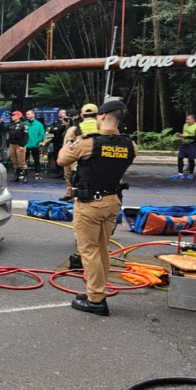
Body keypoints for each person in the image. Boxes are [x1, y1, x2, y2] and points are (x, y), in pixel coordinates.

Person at [57, 100, 136, 316]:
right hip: (112, 202)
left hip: (90, 203)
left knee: (89, 251)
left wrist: (72, 139)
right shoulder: (130, 145)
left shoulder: (88, 143)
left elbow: (62, 160)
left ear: (102, 117)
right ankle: (97, 291)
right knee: (102, 249)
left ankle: (96, 300)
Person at [0, 111, 28, 183]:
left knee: (21, 161)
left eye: (13, 115)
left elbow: (26, 136)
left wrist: (22, 145)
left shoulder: (23, 125)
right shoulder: (10, 125)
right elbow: (3, 129)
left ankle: (25, 176)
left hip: (19, 145)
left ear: (18, 116)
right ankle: (16, 176)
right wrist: (2, 122)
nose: (12, 116)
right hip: (12, 145)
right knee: (14, 161)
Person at [173, 113, 196, 179]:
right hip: (184, 144)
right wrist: (179, 135)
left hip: (192, 144)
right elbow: (184, 133)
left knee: (191, 159)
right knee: (180, 157)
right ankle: (180, 173)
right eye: (186, 119)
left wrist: (187, 136)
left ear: (193, 120)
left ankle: (191, 174)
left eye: (188, 119)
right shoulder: (185, 125)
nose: (187, 121)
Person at [46, 109, 68, 178]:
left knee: (65, 158)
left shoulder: (67, 122)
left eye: (63, 112)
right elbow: (51, 130)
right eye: (60, 112)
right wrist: (54, 129)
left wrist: (57, 129)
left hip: (64, 143)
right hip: (56, 142)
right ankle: (59, 172)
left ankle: (65, 173)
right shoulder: (56, 122)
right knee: (57, 157)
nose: (61, 114)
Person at [24, 109, 45, 179]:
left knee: (36, 159)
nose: (27, 115)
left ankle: (37, 173)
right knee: (24, 159)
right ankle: (23, 172)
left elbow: (42, 135)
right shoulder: (24, 124)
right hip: (26, 144)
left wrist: (37, 141)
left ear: (33, 115)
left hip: (35, 145)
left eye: (28, 114)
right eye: (26, 114)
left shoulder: (39, 124)